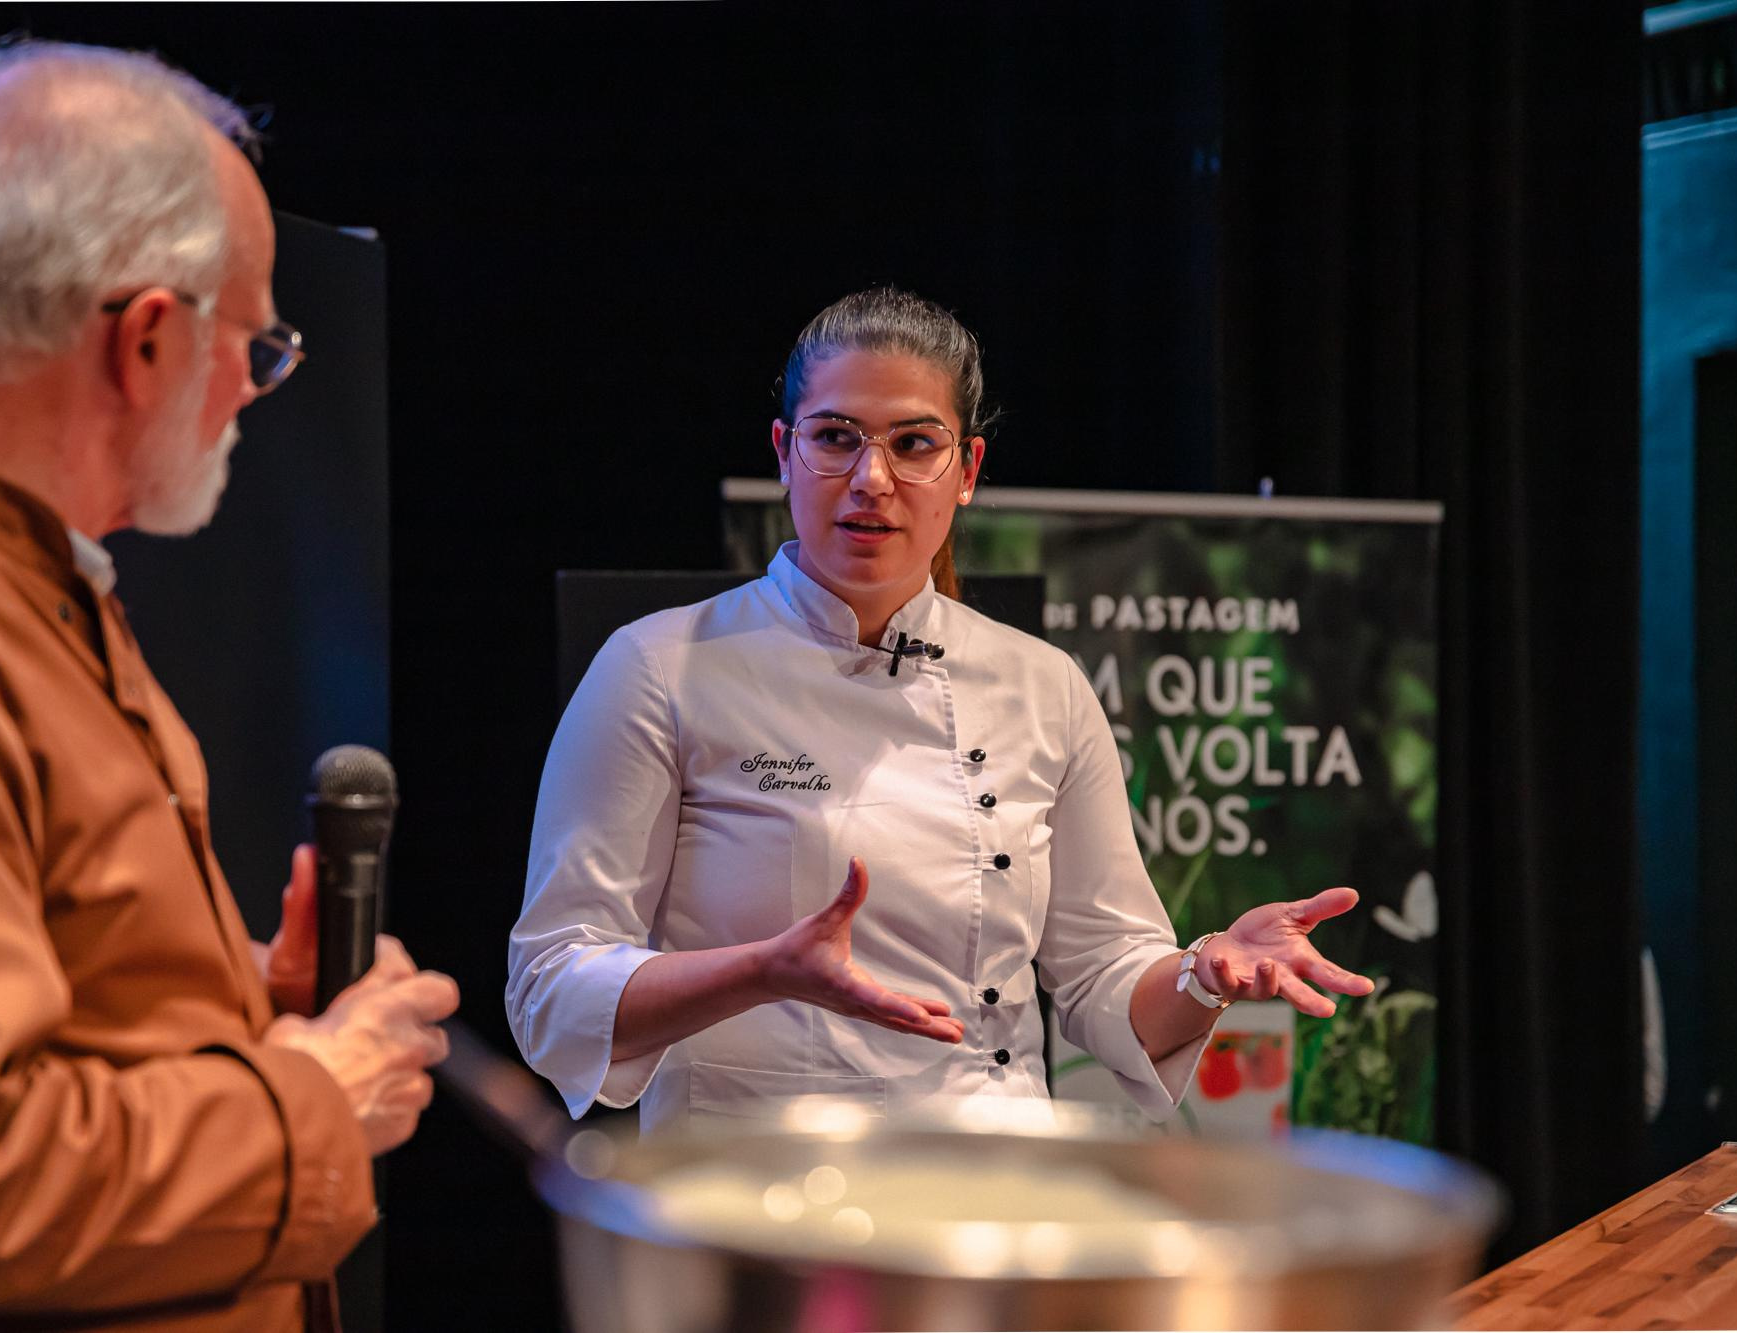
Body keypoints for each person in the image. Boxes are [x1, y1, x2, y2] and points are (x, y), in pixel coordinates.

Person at [0, 41, 458, 1332]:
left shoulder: (1, 573)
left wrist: (240, 1006)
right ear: (150, 340)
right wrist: (314, 1100)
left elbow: (34, 1017)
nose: (249, 401)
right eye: (258, 351)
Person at [507, 287, 1371, 1134]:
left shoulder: (1043, 682)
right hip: (757, 1197)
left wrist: (1204, 972)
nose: (871, 479)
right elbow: (550, 984)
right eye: (835, 438)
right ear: (783, 452)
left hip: (993, 1194)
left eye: (914, 443)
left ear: (966, 472)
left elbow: (1105, 975)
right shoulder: (661, 666)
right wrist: (764, 970)